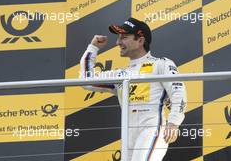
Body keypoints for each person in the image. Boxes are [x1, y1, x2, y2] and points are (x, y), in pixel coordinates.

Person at [79, 17, 187, 161]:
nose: (118, 42)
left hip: (152, 130)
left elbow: (178, 92)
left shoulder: (161, 64)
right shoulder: (120, 75)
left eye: (124, 37)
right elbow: (87, 81)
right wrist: (92, 48)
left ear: (140, 41)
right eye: (118, 38)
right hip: (128, 134)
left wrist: (174, 123)